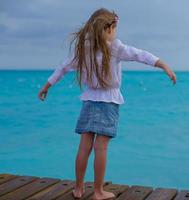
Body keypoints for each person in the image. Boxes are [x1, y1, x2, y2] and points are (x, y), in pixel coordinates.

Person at [37, 8, 176, 200]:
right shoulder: (115, 48)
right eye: (115, 28)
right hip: (108, 102)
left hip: (88, 101)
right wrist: (164, 65)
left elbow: (63, 67)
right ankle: (98, 191)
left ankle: (78, 189)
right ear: (110, 28)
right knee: (101, 148)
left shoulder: (84, 50)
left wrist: (47, 86)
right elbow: (140, 55)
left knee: (84, 146)